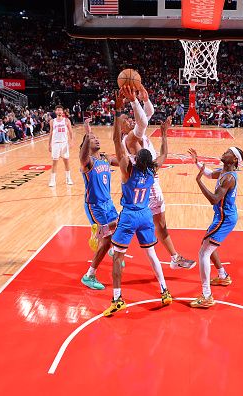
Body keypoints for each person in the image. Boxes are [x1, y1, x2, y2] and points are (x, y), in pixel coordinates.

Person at [103, 93, 173, 317]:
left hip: (130, 215)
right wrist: (163, 134)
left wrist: (115, 114)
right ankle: (164, 290)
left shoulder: (128, 169)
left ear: (135, 157)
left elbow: (116, 141)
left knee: (117, 256)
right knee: (151, 254)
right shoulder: (153, 171)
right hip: (145, 214)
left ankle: (117, 299)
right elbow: (164, 154)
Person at [120, 85, 195, 270]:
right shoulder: (129, 139)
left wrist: (145, 99)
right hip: (146, 184)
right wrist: (134, 100)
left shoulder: (140, 134)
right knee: (146, 221)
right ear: (120, 127)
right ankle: (115, 242)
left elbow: (147, 115)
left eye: (130, 117)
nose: (129, 119)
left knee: (158, 223)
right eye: (125, 119)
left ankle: (174, 257)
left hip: (153, 179)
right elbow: (143, 122)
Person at [189, 146, 243, 309]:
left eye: (228, 152)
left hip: (224, 218)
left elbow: (214, 199)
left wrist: (198, 182)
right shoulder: (223, 172)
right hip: (221, 216)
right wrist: (197, 162)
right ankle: (222, 275)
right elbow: (209, 173)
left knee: (203, 252)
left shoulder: (229, 178)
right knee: (208, 247)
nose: (224, 152)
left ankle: (206, 295)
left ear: (234, 160)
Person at [80, 118, 121, 291]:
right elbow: (82, 155)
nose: (96, 139)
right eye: (92, 139)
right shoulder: (87, 162)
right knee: (107, 238)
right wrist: (87, 131)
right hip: (95, 205)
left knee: (120, 227)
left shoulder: (105, 158)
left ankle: (108, 245)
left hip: (108, 203)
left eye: (96, 138)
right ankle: (89, 275)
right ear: (86, 145)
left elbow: (123, 161)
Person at [48, 105, 74, 187]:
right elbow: (51, 133)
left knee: (66, 161)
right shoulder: (52, 121)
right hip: (55, 143)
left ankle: (68, 178)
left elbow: (70, 132)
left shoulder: (66, 120)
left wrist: (71, 141)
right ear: (55, 111)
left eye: (60, 110)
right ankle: (52, 180)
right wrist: (49, 144)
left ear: (62, 112)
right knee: (54, 162)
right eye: (58, 110)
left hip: (64, 143)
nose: (59, 111)